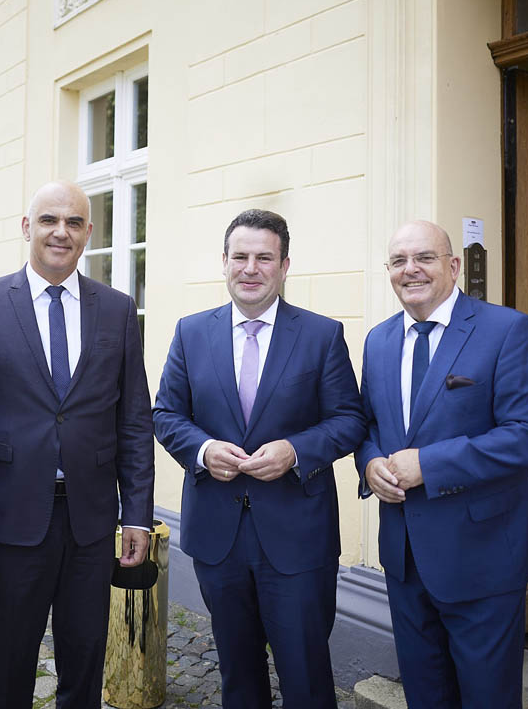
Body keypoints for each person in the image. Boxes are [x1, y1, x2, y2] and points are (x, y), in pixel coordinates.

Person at [0, 180, 154, 709]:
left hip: (90, 524)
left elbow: (133, 421)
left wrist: (138, 515)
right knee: (9, 664)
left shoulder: (118, 310)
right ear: (27, 227)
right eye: (50, 220)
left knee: (85, 659)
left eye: (75, 223)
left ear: (89, 234)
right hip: (7, 523)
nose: (62, 232)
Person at [152, 209, 366, 708]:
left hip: (297, 537)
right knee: (238, 672)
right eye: (240, 256)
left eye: (264, 257)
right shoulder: (190, 332)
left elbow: (349, 420)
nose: (251, 268)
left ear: (284, 265)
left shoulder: (320, 335)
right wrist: (203, 450)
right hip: (217, 536)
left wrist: (296, 451)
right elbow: (166, 413)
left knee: (306, 675)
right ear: (223, 262)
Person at [356, 220, 528, 708]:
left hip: (484, 554)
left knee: (487, 696)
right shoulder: (379, 341)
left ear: (452, 266)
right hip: (404, 555)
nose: (411, 270)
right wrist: (369, 467)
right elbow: (367, 427)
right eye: (399, 261)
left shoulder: (507, 329)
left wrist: (429, 463)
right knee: (425, 694)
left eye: (424, 257)